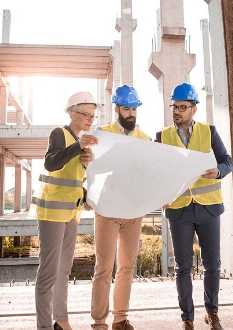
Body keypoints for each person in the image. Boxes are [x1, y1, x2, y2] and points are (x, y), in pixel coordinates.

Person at [155, 83, 233, 330]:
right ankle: (187, 318)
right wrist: (160, 194)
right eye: (174, 106)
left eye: (182, 107)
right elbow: (156, 172)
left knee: (212, 264)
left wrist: (218, 171)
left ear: (194, 109)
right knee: (183, 267)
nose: (176, 111)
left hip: (208, 207)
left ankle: (212, 312)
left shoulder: (209, 132)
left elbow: (227, 161)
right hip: (179, 210)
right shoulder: (162, 136)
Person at [33, 91, 99, 330]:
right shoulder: (59, 133)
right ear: (72, 112)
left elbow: (71, 181)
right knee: (48, 274)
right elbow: (51, 163)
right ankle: (43, 326)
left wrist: (85, 194)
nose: (90, 119)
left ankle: (61, 320)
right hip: (51, 214)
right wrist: (78, 147)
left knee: (63, 272)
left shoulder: (80, 142)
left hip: (71, 214)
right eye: (86, 114)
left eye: (93, 116)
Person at [90, 85, 150, 330]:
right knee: (103, 267)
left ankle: (120, 319)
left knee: (126, 267)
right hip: (107, 209)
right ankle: (99, 322)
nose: (131, 114)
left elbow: (150, 173)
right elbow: (90, 168)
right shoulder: (102, 134)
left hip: (133, 211)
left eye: (134, 109)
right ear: (117, 109)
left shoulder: (144, 139)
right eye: (127, 108)